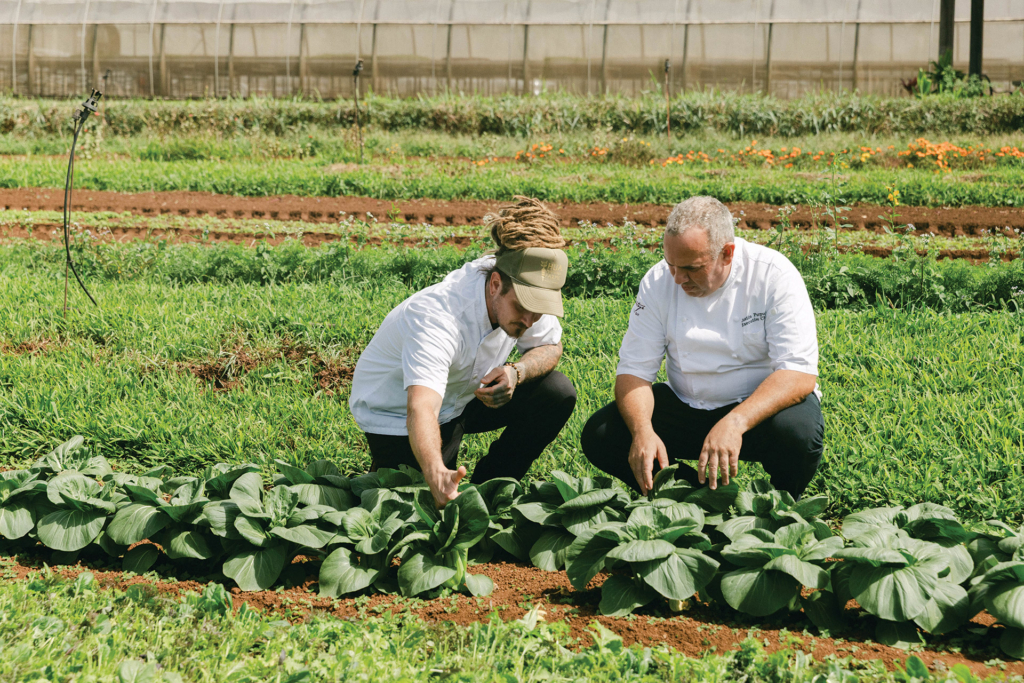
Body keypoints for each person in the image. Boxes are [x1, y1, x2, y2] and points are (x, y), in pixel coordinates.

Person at [580, 196, 823, 498]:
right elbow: (634, 371)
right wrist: (643, 430)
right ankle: (690, 495)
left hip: (756, 411)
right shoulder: (658, 282)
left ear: (727, 253)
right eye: (671, 265)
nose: (678, 278)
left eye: (692, 268)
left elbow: (798, 373)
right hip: (687, 404)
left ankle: (780, 509)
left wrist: (735, 422)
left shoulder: (773, 275)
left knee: (797, 434)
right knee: (602, 433)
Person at [350, 197, 577, 507]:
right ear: (496, 284)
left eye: (538, 312)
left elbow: (550, 346)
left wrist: (516, 372)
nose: (529, 321)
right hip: (398, 415)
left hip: (464, 398)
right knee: (416, 505)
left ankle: (492, 488)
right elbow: (421, 407)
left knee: (556, 392)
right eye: (523, 309)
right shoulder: (438, 317)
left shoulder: (526, 293)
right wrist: (435, 471)